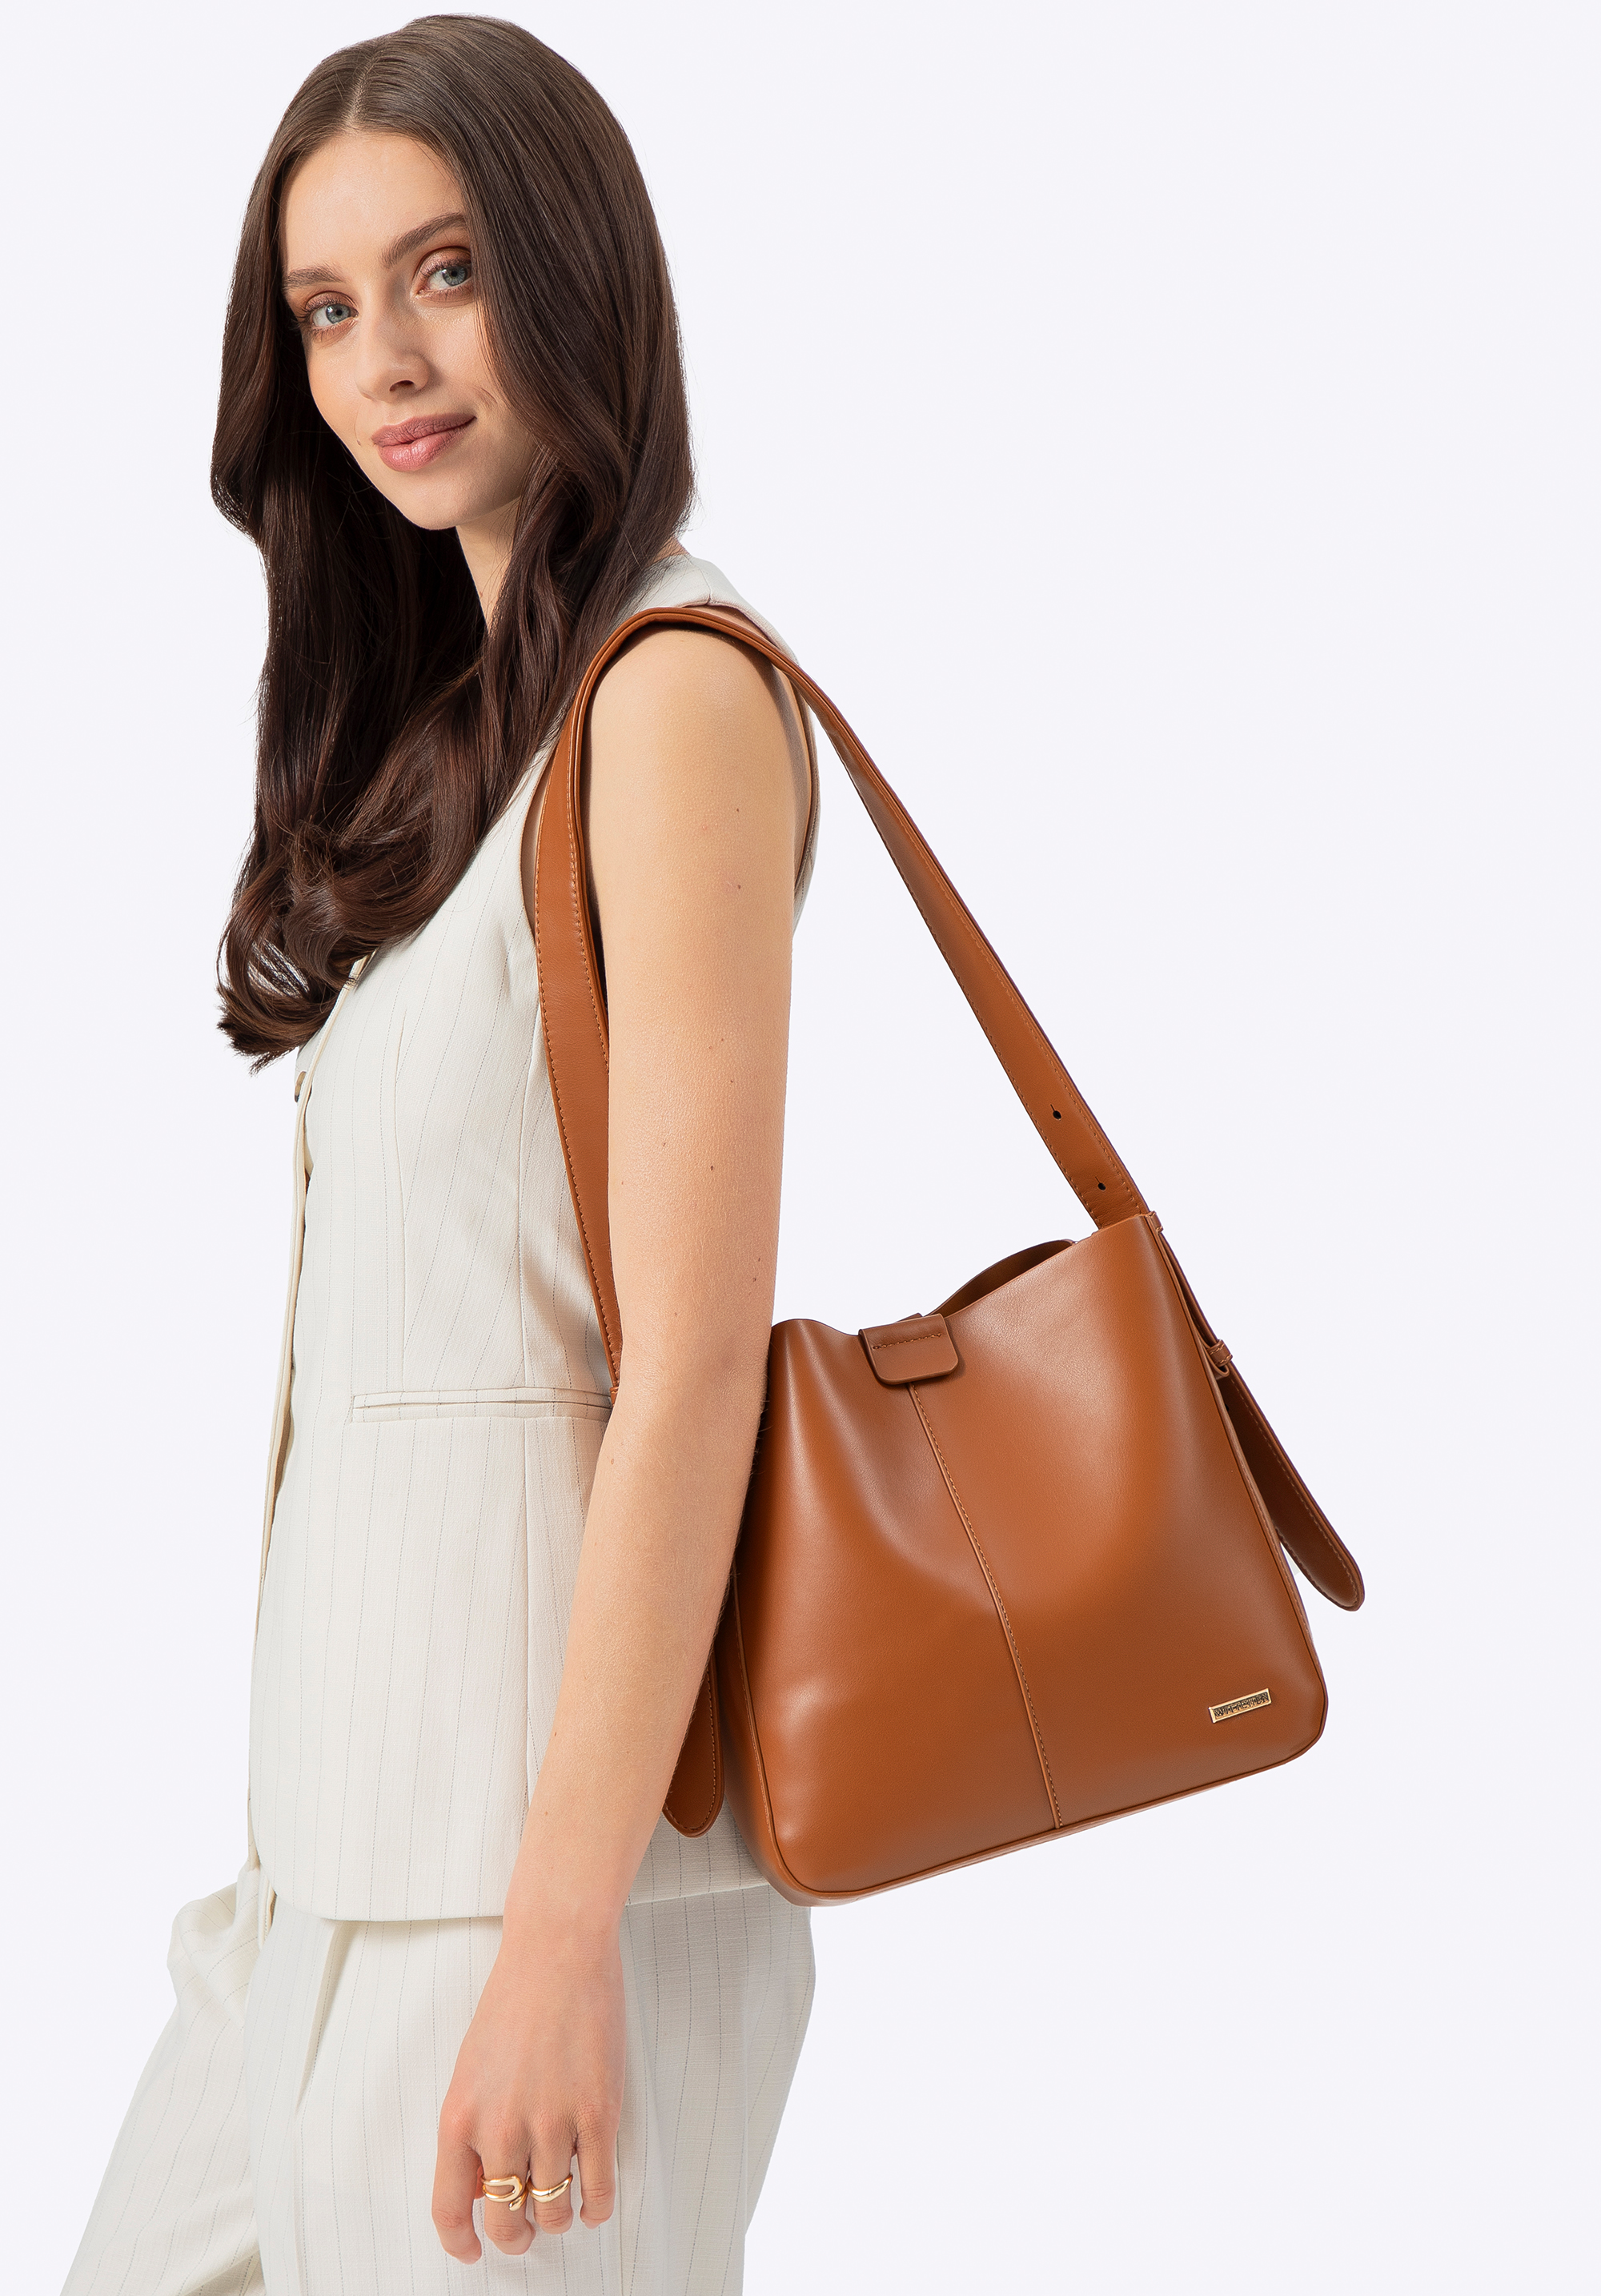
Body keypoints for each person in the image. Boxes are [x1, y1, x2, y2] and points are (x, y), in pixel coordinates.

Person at [66, 18, 818, 2294]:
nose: (381, 359)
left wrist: (559, 1935)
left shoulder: (673, 694)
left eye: (449, 270)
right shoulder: (471, 744)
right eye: (324, 308)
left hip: (531, 1880)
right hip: (322, 1856)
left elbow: (691, 1365)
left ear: (576, 270)